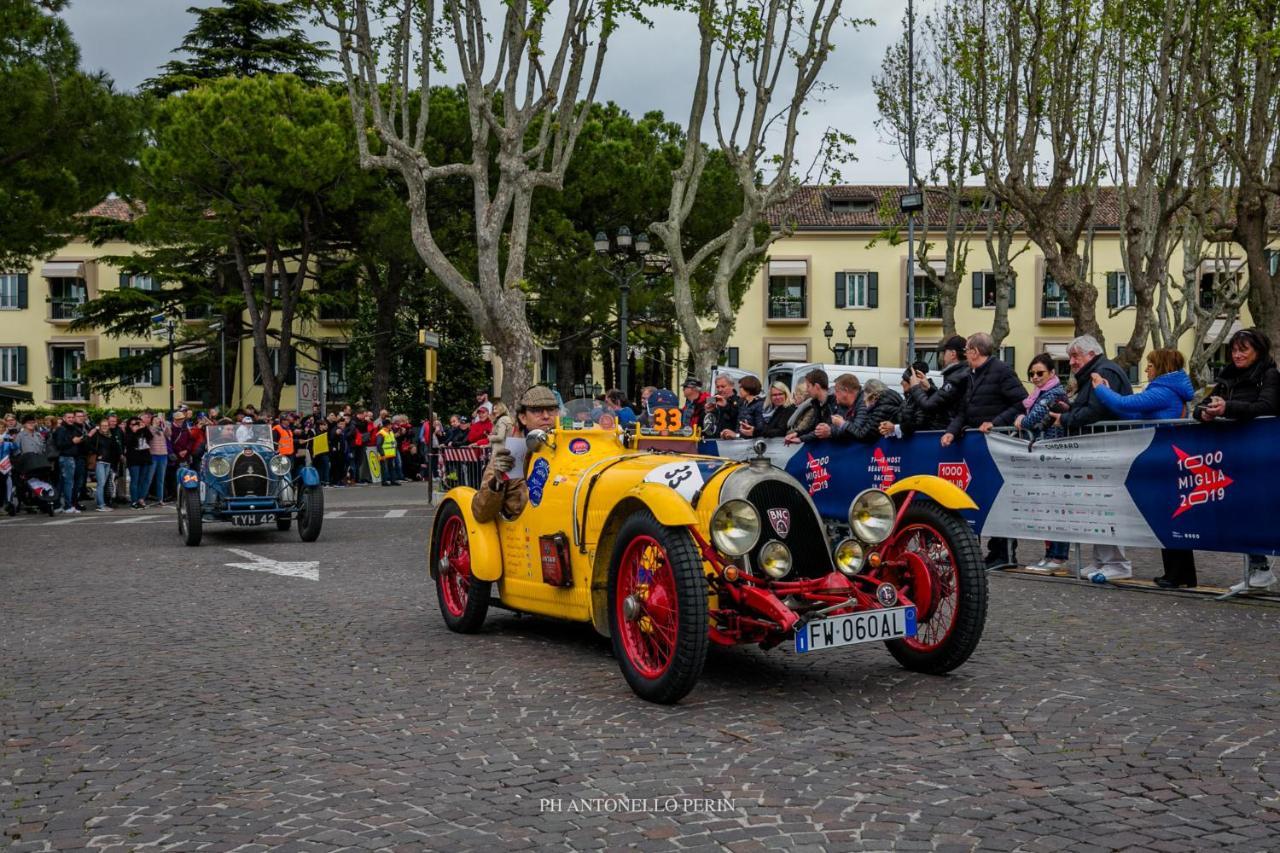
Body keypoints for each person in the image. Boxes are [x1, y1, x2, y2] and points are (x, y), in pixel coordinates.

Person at [1194, 328, 1280, 592]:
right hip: (1233, 455)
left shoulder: (1270, 375)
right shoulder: (1227, 377)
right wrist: (1206, 414)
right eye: (1234, 350)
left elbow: (1267, 407)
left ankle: (1261, 568)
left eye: (1244, 349)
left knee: (1264, 510)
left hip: (1262, 455)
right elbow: (1200, 406)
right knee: (1241, 511)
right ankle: (1259, 568)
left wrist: (1228, 408)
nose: (1237, 355)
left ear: (1258, 351)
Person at [1046, 335, 1135, 580]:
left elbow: (1097, 411)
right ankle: (1101, 560)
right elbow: (1089, 407)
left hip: (1108, 448)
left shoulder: (1105, 371)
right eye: (1070, 356)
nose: (1072, 361)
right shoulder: (1093, 373)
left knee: (1106, 506)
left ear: (1091, 354)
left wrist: (1065, 418)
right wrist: (1070, 410)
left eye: (1076, 356)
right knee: (1096, 507)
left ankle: (1116, 562)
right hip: (1097, 449)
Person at [944, 333, 1027, 568]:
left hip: (999, 444)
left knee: (999, 498)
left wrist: (996, 422)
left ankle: (1004, 554)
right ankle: (989, 552)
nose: (964, 353)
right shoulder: (971, 375)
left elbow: (1021, 402)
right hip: (978, 447)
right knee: (981, 498)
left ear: (975, 351)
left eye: (967, 349)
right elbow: (964, 410)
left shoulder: (1001, 370)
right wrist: (952, 430)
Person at [1013, 354, 1072, 570]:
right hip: (1044, 453)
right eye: (1032, 374)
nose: (1035, 377)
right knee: (1047, 506)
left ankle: (1058, 556)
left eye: (1040, 373)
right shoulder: (1038, 394)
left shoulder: (1054, 392)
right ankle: (1050, 554)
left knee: (1058, 506)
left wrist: (1022, 421)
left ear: (1052, 374)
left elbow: (1030, 419)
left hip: (1055, 454)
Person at [472, 386, 560, 523]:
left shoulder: (570, 448)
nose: (546, 416)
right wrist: (497, 480)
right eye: (537, 411)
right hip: (523, 534)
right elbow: (481, 513)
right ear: (523, 418)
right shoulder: (513, 451)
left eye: (551, 410)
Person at [882, 337, 970, 440]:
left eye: (944, 352)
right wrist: (929, 389)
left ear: (953, 354)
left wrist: (915, 387)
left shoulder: (957, 376)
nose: (942, 356)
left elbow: (929, 406)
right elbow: (945, 400)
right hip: (950, 431)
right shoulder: (957, 374)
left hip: (948, 434)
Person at [785, 369, 837, 444]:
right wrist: (797, 433)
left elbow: (821, 431)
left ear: (816, 386)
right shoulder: (817, 403)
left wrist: (801, 439)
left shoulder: (832, 403)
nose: (807, 390)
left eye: (808, 386)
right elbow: (812, 427)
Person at [51, 412, 84, 513]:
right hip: (65, 458)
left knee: (62, 483)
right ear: (64, 418)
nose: (71, 419)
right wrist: (72, 442)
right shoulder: (61, 429)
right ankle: (68, 506)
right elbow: (59, 444)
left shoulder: (72, 428)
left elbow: (81, 437)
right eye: (68, 417)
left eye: (72, 417)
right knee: (68, 483)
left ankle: (58, 506)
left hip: (71, 458)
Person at [90, 417, 121, 512]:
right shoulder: (97, 435)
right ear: (99, 426)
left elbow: (115, 448)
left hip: (108, 462)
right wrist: (97, 453)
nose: (104, 427)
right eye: (103, 425)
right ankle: (101, 505)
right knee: (101, 484)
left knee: (104, 484)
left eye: (106, 425)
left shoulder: (110, 436)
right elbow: (88, 444)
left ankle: (102, 504)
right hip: (100, 462)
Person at [824, 374, 865, 442]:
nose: (834, 394)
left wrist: (831, 431)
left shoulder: (864, 402)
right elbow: (835, 425)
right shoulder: (844, 403)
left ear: (846, 391)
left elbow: (856, 431)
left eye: (837, 391)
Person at [124, 416, 152, 509]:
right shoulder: (128, 433)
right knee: (135, 480)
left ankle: (141, 499)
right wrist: (134, 431)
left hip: (145, 458)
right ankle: (134, 501)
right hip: (134, 459)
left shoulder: (143, 431)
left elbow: (150, 437)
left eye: (137, 424)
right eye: (132, 424)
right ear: (129, 425)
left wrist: (144, 427)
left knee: (143, 480)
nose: (135, 426)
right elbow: (128, 443)